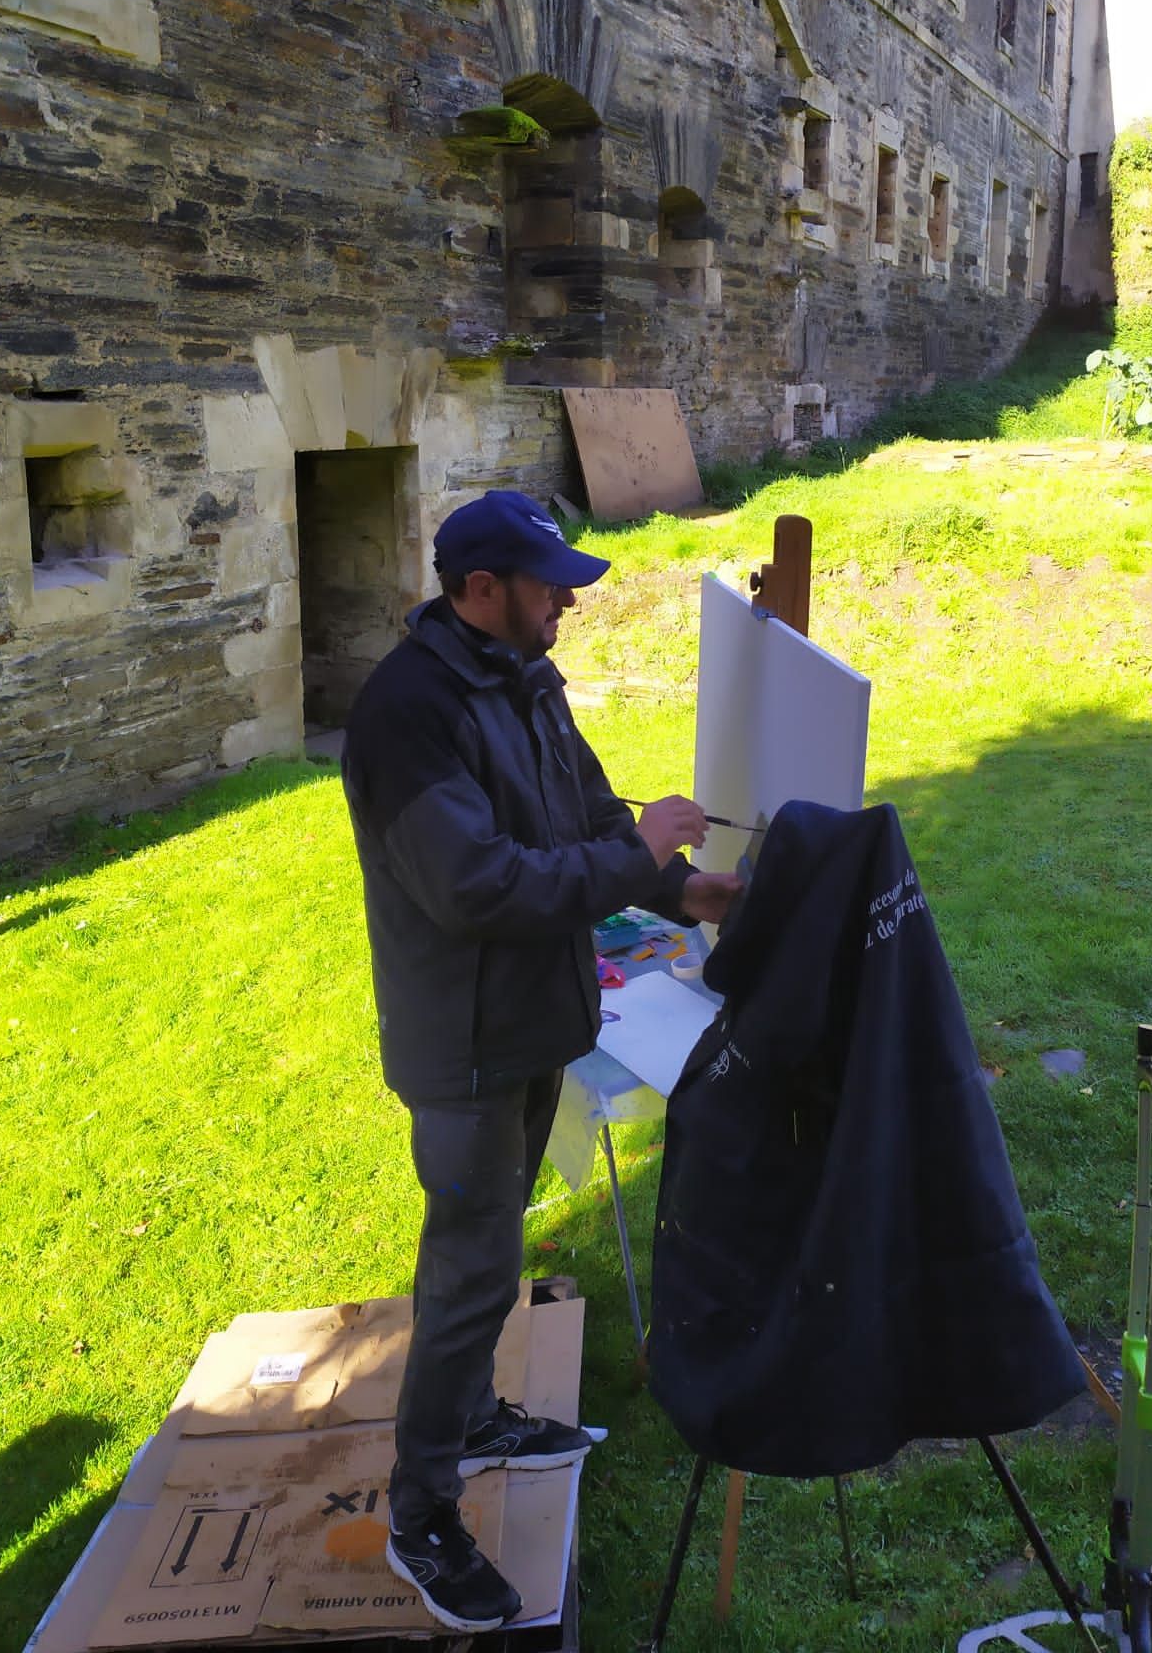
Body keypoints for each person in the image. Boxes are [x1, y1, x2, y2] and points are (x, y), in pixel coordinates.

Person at [343, 488, 741, 1633]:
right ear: (479, 592)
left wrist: (688, 888)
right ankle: (423, 1513)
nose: (570, 596)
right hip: (461, 1047)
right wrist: (635, 850)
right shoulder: (405, 716)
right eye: (547, 581)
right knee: (468, 1274)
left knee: (492, 1252)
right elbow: (478, 887)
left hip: (529, 1026)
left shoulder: (525, 676)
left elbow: (582, 815)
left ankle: (470, 1419)